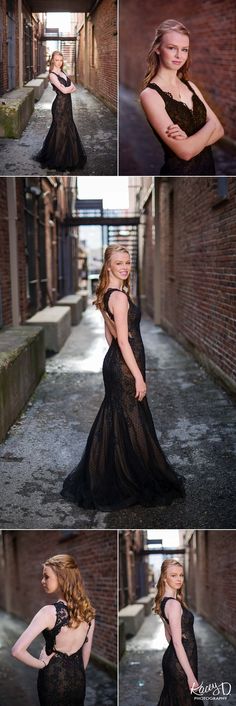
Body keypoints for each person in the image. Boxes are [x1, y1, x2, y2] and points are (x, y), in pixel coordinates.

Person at [61, 244, 185, 511]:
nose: (125, 267)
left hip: (115, 365)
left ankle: (110, 473)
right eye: (119, 263)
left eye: (128, 262)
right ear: (109, 266)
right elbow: (124, 343)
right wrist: (138, 376)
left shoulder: (107, 294)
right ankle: (130, 478)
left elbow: (112, 338)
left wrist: (121, 358)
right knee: (133, 421)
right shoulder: (119, 297)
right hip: (125, 368)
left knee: (118, 419)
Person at [140, 19, 224, 176]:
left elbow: (220, 131)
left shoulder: (191, 86)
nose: (179, 55)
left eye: (184, 50)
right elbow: (185, 152)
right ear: (158, 48)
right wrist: (211, 125)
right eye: (172, 48)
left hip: (208, 170)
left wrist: (191, 140)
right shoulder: (150, 95)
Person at [11, 554, 95, 706]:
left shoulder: (48, 612)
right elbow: (85, 657)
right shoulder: (88, 613)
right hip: (78, 679)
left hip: (52, 680)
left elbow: (17, 650)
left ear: (62, 578)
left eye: (46, 577)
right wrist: (76, 673)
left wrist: (42, 664)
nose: (42, 581)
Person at [154, 559, 203, 706]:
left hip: (175, 660)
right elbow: (175, 641)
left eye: (181, 575)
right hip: (181, 665)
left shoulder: (164, 601)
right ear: (164, 577)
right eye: (173, 575)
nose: (179, 579)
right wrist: (190, 676)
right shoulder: (174, 604)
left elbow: (169, 636)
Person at [35, 51, 87, 171]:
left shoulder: (62, 72)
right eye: (57, 60)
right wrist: (67, 89)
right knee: (59, 130)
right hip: (59, 106)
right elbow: (64, 91)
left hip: (67, 105)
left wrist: (67, 88)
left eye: (61, 60)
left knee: (68, 128)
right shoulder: (52, 75)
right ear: (53, 60)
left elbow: (74, 87)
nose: (59, 62)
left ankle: (68, 157)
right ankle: (57, 159)